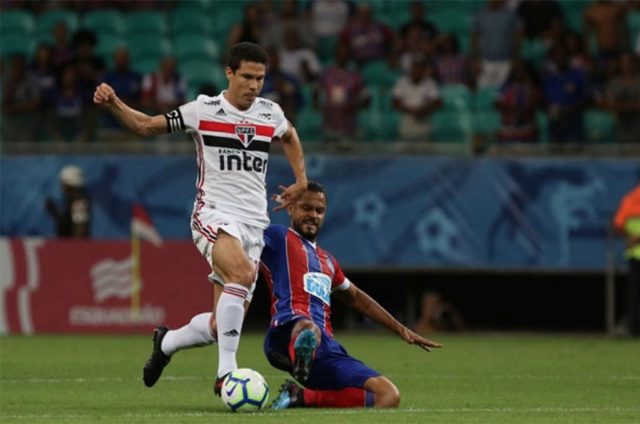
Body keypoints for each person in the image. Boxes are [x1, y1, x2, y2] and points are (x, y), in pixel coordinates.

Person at [93, 42, 308, 394]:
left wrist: (300, 180)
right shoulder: (204, 110)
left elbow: (291, 135)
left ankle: (165, 344)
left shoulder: (270, 113)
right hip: (214, 215)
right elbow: (146, 126)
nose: (255, 86)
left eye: (260, 79)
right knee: (242, 273)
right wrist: (114, 102)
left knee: (217, 325)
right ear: (230, 73)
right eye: (248, 77)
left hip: (255, 224)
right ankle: (227, 374)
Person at [264, 181, 442, 409]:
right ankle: (303, 348)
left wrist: (401, 329)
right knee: (308, 328)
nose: (313, 215)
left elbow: (359, 300)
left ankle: (301, 396)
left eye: (319, 211)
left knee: (388, 396)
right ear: (291, 208)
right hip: (284, 333)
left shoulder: (328, 262)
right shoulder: (278, 238)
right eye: (306, 208)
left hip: (326, 349)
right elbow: (241, 237)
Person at [613, 184, 640, 337]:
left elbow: (618, 223)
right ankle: (631, 326)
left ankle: (631, 327)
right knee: (634, 293)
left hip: (634, 252)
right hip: (635, 252)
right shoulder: (630, 198)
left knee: (634, 292)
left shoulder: (630, 198)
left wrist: (632, 238)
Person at [45, 165, 91, 238]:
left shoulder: (79, 202)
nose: (61, 186)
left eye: (63, 183)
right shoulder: (72, 200)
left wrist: (73, 248)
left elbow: (80, 230)